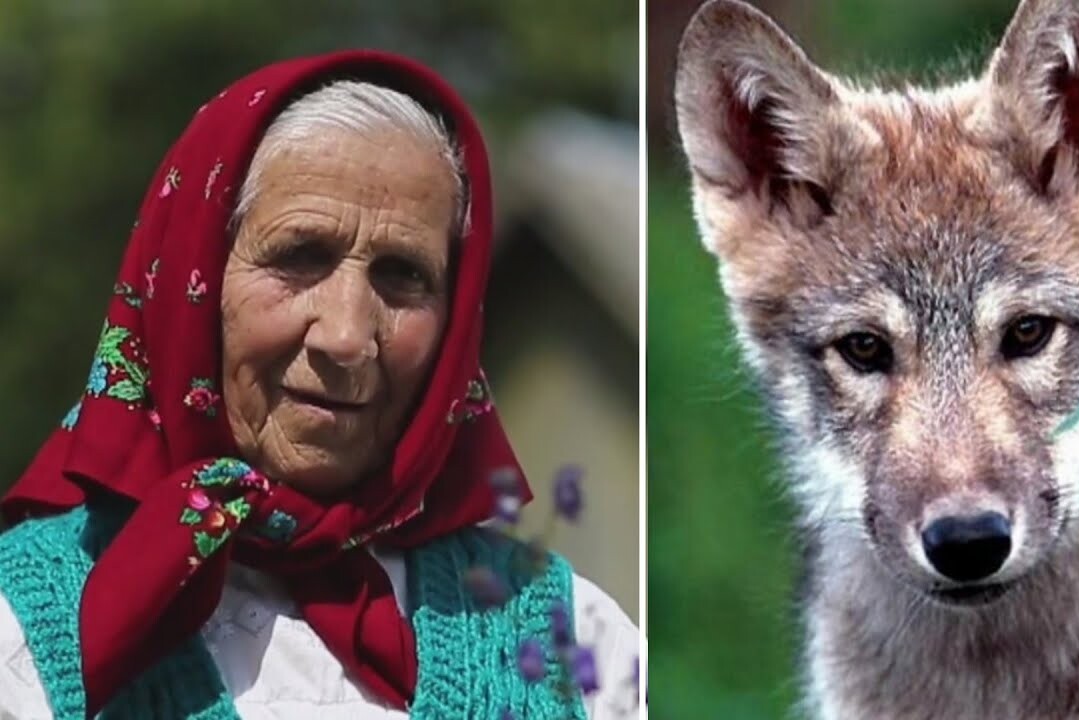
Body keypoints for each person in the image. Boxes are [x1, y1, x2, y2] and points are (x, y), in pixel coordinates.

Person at [0, 50, 638, 719]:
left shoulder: (577, 643)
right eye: (300, 256)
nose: (346, 336)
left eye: (402, 276)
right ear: (193, 280)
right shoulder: (20, 630)